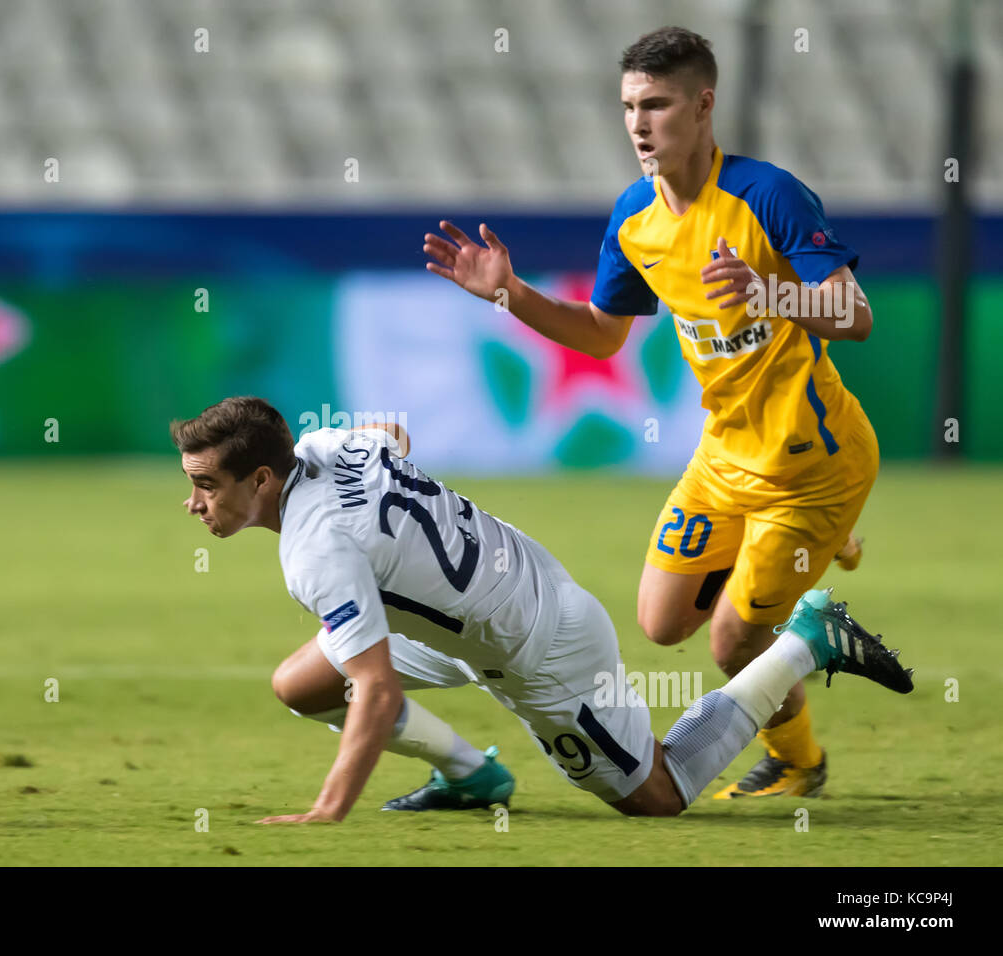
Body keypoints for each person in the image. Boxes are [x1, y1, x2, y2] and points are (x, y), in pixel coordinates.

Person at [424, 26, 877, 799]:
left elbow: (854, 313)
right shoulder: (635, 216)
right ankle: (820, 547)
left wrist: (771, 293)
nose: (639, 123)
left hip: (812, 465)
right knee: (663, 623)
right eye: (630, 105)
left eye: (658, 104)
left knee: (735, 640)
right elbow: (601, 336)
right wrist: (511, 293)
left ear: (703, 106)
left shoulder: (767, 195)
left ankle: (801, 760)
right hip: (725, 456)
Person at [172, 396, 911, 824]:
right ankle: (472, 777)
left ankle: (807, 640)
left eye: (206, 484)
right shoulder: (324, 443)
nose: (194, 502)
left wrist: (329, 807)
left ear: (262, 478)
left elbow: (380, 692)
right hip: (484, 597)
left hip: (539, 645)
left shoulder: (314, 552)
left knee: (657, 796)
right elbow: (392, 437)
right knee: (303, 683)